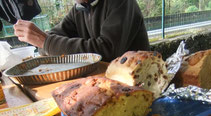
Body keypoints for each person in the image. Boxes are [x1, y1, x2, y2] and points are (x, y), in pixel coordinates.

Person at [13, 0, 150, 62]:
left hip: (138, 79)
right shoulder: (79, 8)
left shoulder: (120, 3)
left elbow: (107, 50)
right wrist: (44, 42)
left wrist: (45, 41)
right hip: (104, 79)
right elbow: (53, 39)